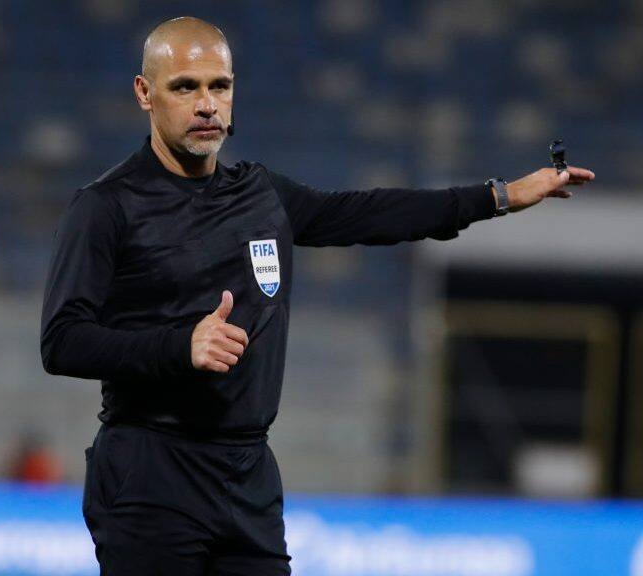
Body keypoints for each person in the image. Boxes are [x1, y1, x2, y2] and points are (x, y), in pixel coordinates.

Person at [39, 16, 595, 576]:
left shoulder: (261, 194)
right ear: (145, 92)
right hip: (151, 472)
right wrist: (179, 346)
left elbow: (372, 213)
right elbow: (62, 341)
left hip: (248, 477)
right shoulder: (106, 206)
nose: (206, 104)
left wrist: (500, 196)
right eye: (185, 87)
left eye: (219, 86)